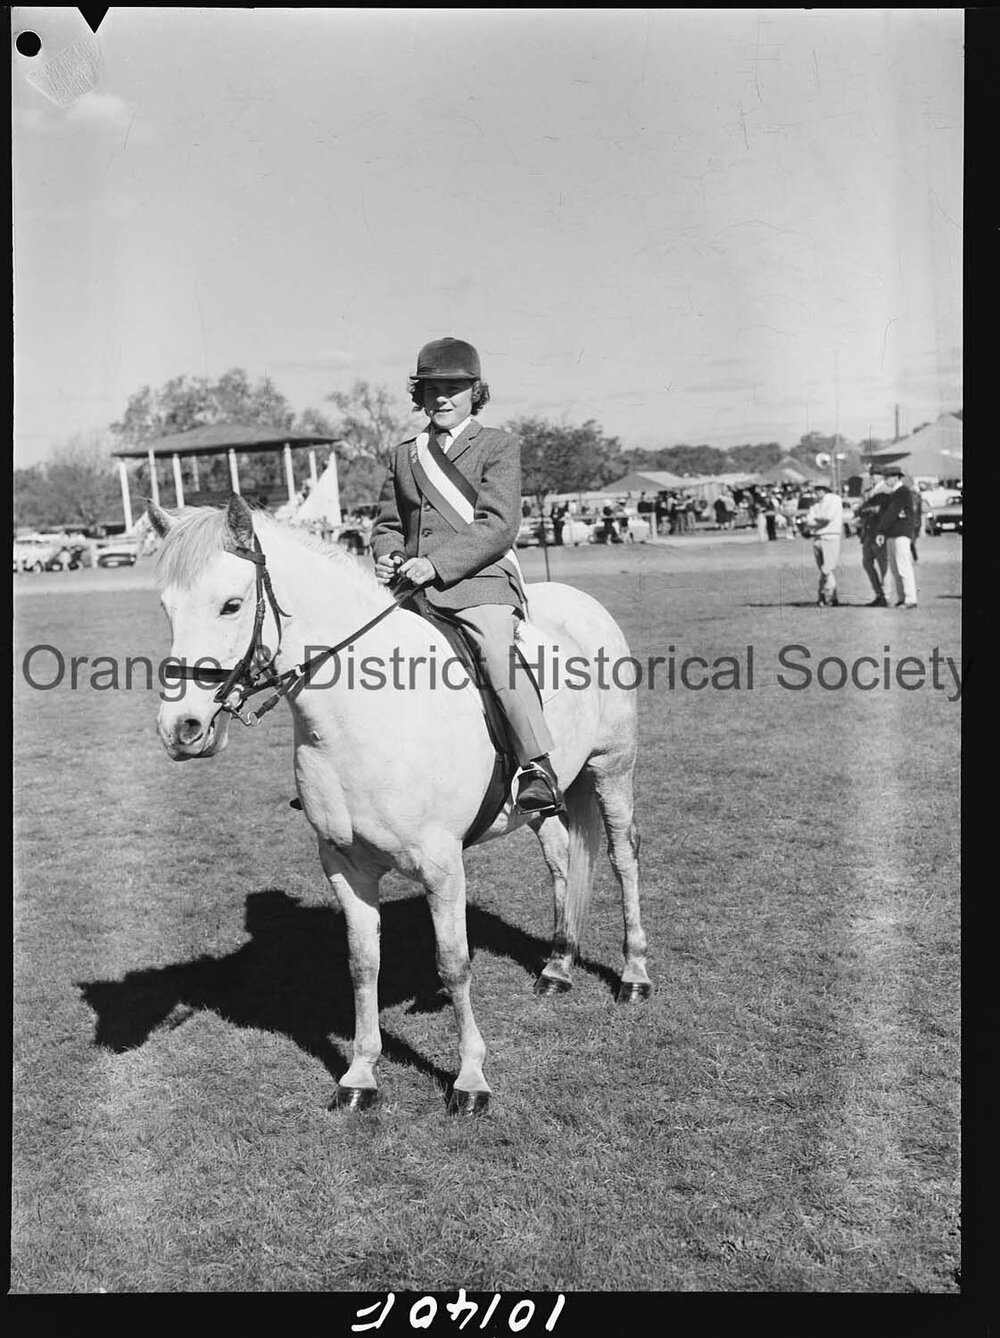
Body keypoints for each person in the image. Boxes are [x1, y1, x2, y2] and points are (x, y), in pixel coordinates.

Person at [371, 337, 564, 813]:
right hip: (412, 586)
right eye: (432, 388)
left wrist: (436, 564)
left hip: (480, 581)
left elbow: (498, 526)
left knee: (497, 654)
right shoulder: (403, 455)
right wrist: (388, 553)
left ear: (474, 392)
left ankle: (536, 765)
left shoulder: (497, 445)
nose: (442, 398)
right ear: (419, 394)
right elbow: (388, 524)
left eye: (454, 388)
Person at [873, 465, 918, 608]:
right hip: (892, 534)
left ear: (895, 477)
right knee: (895, 568)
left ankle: (910, 599)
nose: (885, 480)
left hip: (901, 533)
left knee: (903, 566)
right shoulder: (893, 492)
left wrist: (880, 530)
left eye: (887, 478)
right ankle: (901, 598)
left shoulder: (902, 492)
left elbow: (892, 512)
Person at [803, 479, 844, 606]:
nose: (818, 491)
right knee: (824, 570)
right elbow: (808, 521)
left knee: (827, 569)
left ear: (826, 489)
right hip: (817, 537)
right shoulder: (815, 503)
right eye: (816, 489)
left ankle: (828, 596)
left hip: (831, 536)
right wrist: (816, 521)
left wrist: (815, 520)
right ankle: (825, 597)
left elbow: (827, 518)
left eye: (820, 488)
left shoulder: (834, 499)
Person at [855, 469, 891, 606]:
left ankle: (886, 596)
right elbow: (862, 508)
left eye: (875, 475)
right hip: (868, 532)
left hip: (880, 532)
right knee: (867, 563)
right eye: (871, 475)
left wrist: (866, 510)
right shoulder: (867, 492)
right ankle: (879, 593)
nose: (872, 478)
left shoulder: (886, 490)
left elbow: (880, 509)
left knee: (883, 565)